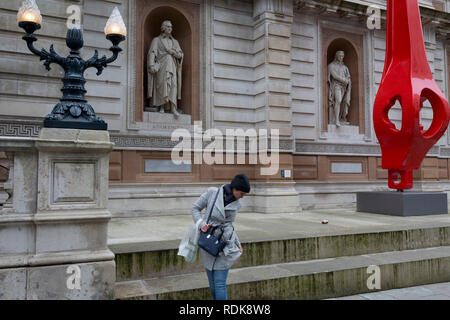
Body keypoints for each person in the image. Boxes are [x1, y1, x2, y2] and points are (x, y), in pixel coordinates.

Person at [191, 174, 251, 300]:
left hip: (225, 246)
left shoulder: (237, 204)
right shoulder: (212, 192)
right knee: (213, 285)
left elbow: (229, 226)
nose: (242, 196)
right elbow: (195, 208)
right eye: (241, 193)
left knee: (219, 284)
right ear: (234, 188)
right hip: (208, 241)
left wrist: (237, 242)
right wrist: (201, 224)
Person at [147, 20, 183, 118]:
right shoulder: (156, 40)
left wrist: (173, 53)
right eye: (167, 27)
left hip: (172, 66)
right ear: (163, 28)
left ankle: (173, 108)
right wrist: (151, 65)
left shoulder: (175, 42)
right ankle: (161, 106)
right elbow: (152, 53)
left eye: (171, 27)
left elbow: (180, 55)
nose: (170, 28)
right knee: (162, 85)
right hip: (161, 66)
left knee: (173, 86)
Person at [327, 50, 351, 127]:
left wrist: (348, 81)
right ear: (336, 56)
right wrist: (344, 80)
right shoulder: (331, 65)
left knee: (343, 102)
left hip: (343, 87)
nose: (341, 57)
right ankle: (336, 120)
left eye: (342, 56)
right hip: (336, 86)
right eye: (340, 56)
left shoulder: (345, 67)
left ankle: (341, 118)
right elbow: (334, 75)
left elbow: (348, 77)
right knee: (338, 100)